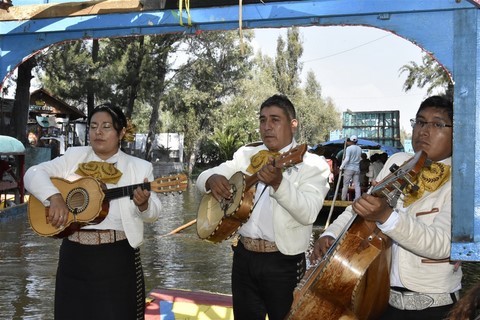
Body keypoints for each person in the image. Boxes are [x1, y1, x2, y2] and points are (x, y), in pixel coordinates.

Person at [311, 95, 461, 320]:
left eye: (438, 124)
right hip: (380, 298)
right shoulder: (398, 161)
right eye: (420, 122)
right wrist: (331, 234)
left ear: (457, 133)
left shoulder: (462, 180)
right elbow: (358, 208)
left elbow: (442, 244)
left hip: (435, 307)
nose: (424, 131)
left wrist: (386, 216)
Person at [195, 94, 330, 320]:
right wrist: (211, 179)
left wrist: (279, 183)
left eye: (275, 120)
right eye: (262, 120)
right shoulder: (246, 155)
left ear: (293, 124)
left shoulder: (312, 164)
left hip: (284, 261)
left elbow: (308, 213)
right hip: (243, 258)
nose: (267, 127)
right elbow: (205, 176)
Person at [24, 104, 162, 320]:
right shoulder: (74, 156)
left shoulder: (140, 167)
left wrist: (143, 205)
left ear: (121, 132)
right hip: (73, 258)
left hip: (117, 259)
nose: (98, 132)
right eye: (93, 126)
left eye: (106, 126)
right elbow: (33, 173)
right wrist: (54, 197)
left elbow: (154, 212)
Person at [339, 135, 362, 201]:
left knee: (345, 185)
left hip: (349, 168)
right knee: (357, 185)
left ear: (350, 141)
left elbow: (347, 159)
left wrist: (341, 167)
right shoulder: (359, 149)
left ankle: (343, 199)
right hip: (357, 168)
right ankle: (357, 198)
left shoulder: (349, 148)